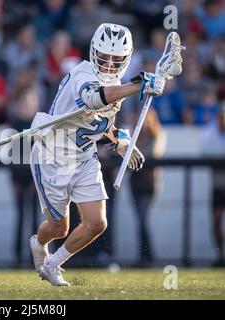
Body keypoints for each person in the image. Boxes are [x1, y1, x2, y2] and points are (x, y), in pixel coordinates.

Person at [29, 23, 169, 286]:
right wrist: (138, 85)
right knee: (59, 228)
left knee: (96, 223)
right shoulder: (82, 75)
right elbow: (95, 99)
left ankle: (52, 265)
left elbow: (102, 123)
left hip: (83, 156)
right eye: (104, 57)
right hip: (53, 155)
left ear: (126, 59)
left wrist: (121, 141)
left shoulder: (116, 83)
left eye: (116, 59)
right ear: (94, 52)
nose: (108, 64)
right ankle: (38, 242)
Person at [129, 107, 166, 267]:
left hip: (150, 183)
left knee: (143, 220)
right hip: (135, 183)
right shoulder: (134, 135)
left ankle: (148, 256)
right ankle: (144, 256)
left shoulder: (157, 135)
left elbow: (151, 154)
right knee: (139, 220)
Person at [201, 102, 225, 267]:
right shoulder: (210, 132)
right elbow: (205, 154)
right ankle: (220, 255)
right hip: (218, 183)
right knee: (216, 220)